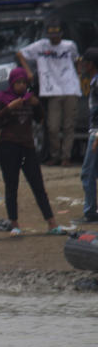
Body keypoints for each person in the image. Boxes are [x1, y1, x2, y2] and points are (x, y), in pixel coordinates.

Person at [0, 67, 64, 235]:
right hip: (8, 146)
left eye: (24, 83)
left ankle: (51, 223)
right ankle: (14, 223)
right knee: (11, 185)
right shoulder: (2, 98)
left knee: (37, 185)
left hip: (27, 146)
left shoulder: (29, 99)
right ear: (12, 83)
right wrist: (9, 108)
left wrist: (37, 105)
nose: (21, 86)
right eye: (18, 83)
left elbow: (39, 119)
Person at [16, 18, 81, 166]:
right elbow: (20, 54)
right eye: (51, 36)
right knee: (52, 126)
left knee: (69, 125)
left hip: (70, 88)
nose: (54, 38)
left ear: (61, 34)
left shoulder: (69, 45)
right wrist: (28, 71)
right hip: (52, 90)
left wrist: (77, 75)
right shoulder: (41, 46)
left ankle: (66, 156)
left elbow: (77, 60)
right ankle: (55, 155)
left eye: (56, 35)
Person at [77, 47, 98, 223]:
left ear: (91, 64)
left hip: (96, 133)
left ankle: (90, 211)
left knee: (88, 172)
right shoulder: (94, 81)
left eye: (84, 62)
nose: (82, 65)